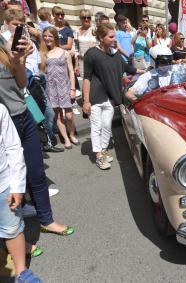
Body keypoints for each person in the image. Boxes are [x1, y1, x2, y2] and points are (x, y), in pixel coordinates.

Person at [0, 12, 74, 247]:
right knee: (9, 183)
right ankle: (15, 237)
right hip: (4, 122)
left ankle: (46, 220)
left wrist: (19, 60)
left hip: (22, 115)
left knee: (36, 173)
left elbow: (21, 83)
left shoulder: (4, 44)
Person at [82, 23, 143, 170]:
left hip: (110, 96)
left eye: (114, 35)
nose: (114, 39)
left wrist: (146, 71)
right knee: (96, 127)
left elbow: (128, 68)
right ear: (101, 38)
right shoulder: (91, 54)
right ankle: (98, 156)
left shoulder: (115, 54)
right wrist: (85, 101)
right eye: (111, 36)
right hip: (95, 96)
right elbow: (87, 78)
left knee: (107, 126)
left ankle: (103, 150)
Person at [0, 103, 43, 283]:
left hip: (3, 184)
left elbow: (13, 147)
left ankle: (22, 271)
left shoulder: (0, 110)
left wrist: (17, 185)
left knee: (12, 228)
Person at [40, 27, 78, 149]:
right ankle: (66, 138)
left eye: (50, 36)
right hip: (51, 88)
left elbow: (71, 72)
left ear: (55, 37)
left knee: (69, 116)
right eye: (45, 36)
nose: (47, 38)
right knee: (58, 115)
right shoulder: (44, 54)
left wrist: (72, 89)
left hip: (65, 87)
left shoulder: (65, 52)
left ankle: (71, 134)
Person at [75, 9, 96, 78]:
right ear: (80, 18)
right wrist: (76, 65)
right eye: (84, 17)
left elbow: (101, 43)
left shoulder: (95, 30)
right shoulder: (76, 31)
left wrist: (95, 45)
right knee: (84, 82)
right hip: (82, 62)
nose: (86, 19)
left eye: (88, 17)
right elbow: (76, 49)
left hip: (95, 61)